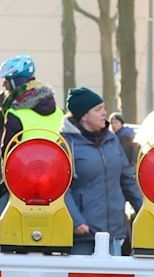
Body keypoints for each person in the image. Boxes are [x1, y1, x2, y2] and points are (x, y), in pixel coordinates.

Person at [60, 87, 142, 255]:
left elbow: (127, 180)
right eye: (98, 109)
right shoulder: (66, 144)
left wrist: (145, 210)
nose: (105, 113)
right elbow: (61, 189)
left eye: (104, 108)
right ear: (84, 116)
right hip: (84, 235)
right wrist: (76, 222)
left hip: (114, 233)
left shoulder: (112, 140)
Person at [0, 54, 61, 228]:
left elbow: (6, 150)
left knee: (4, 210)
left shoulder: (14, 111)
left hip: (20, 177)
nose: (4, 85)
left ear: (15, 82)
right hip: (54, 179)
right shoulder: (58, 112)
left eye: (7, 80)